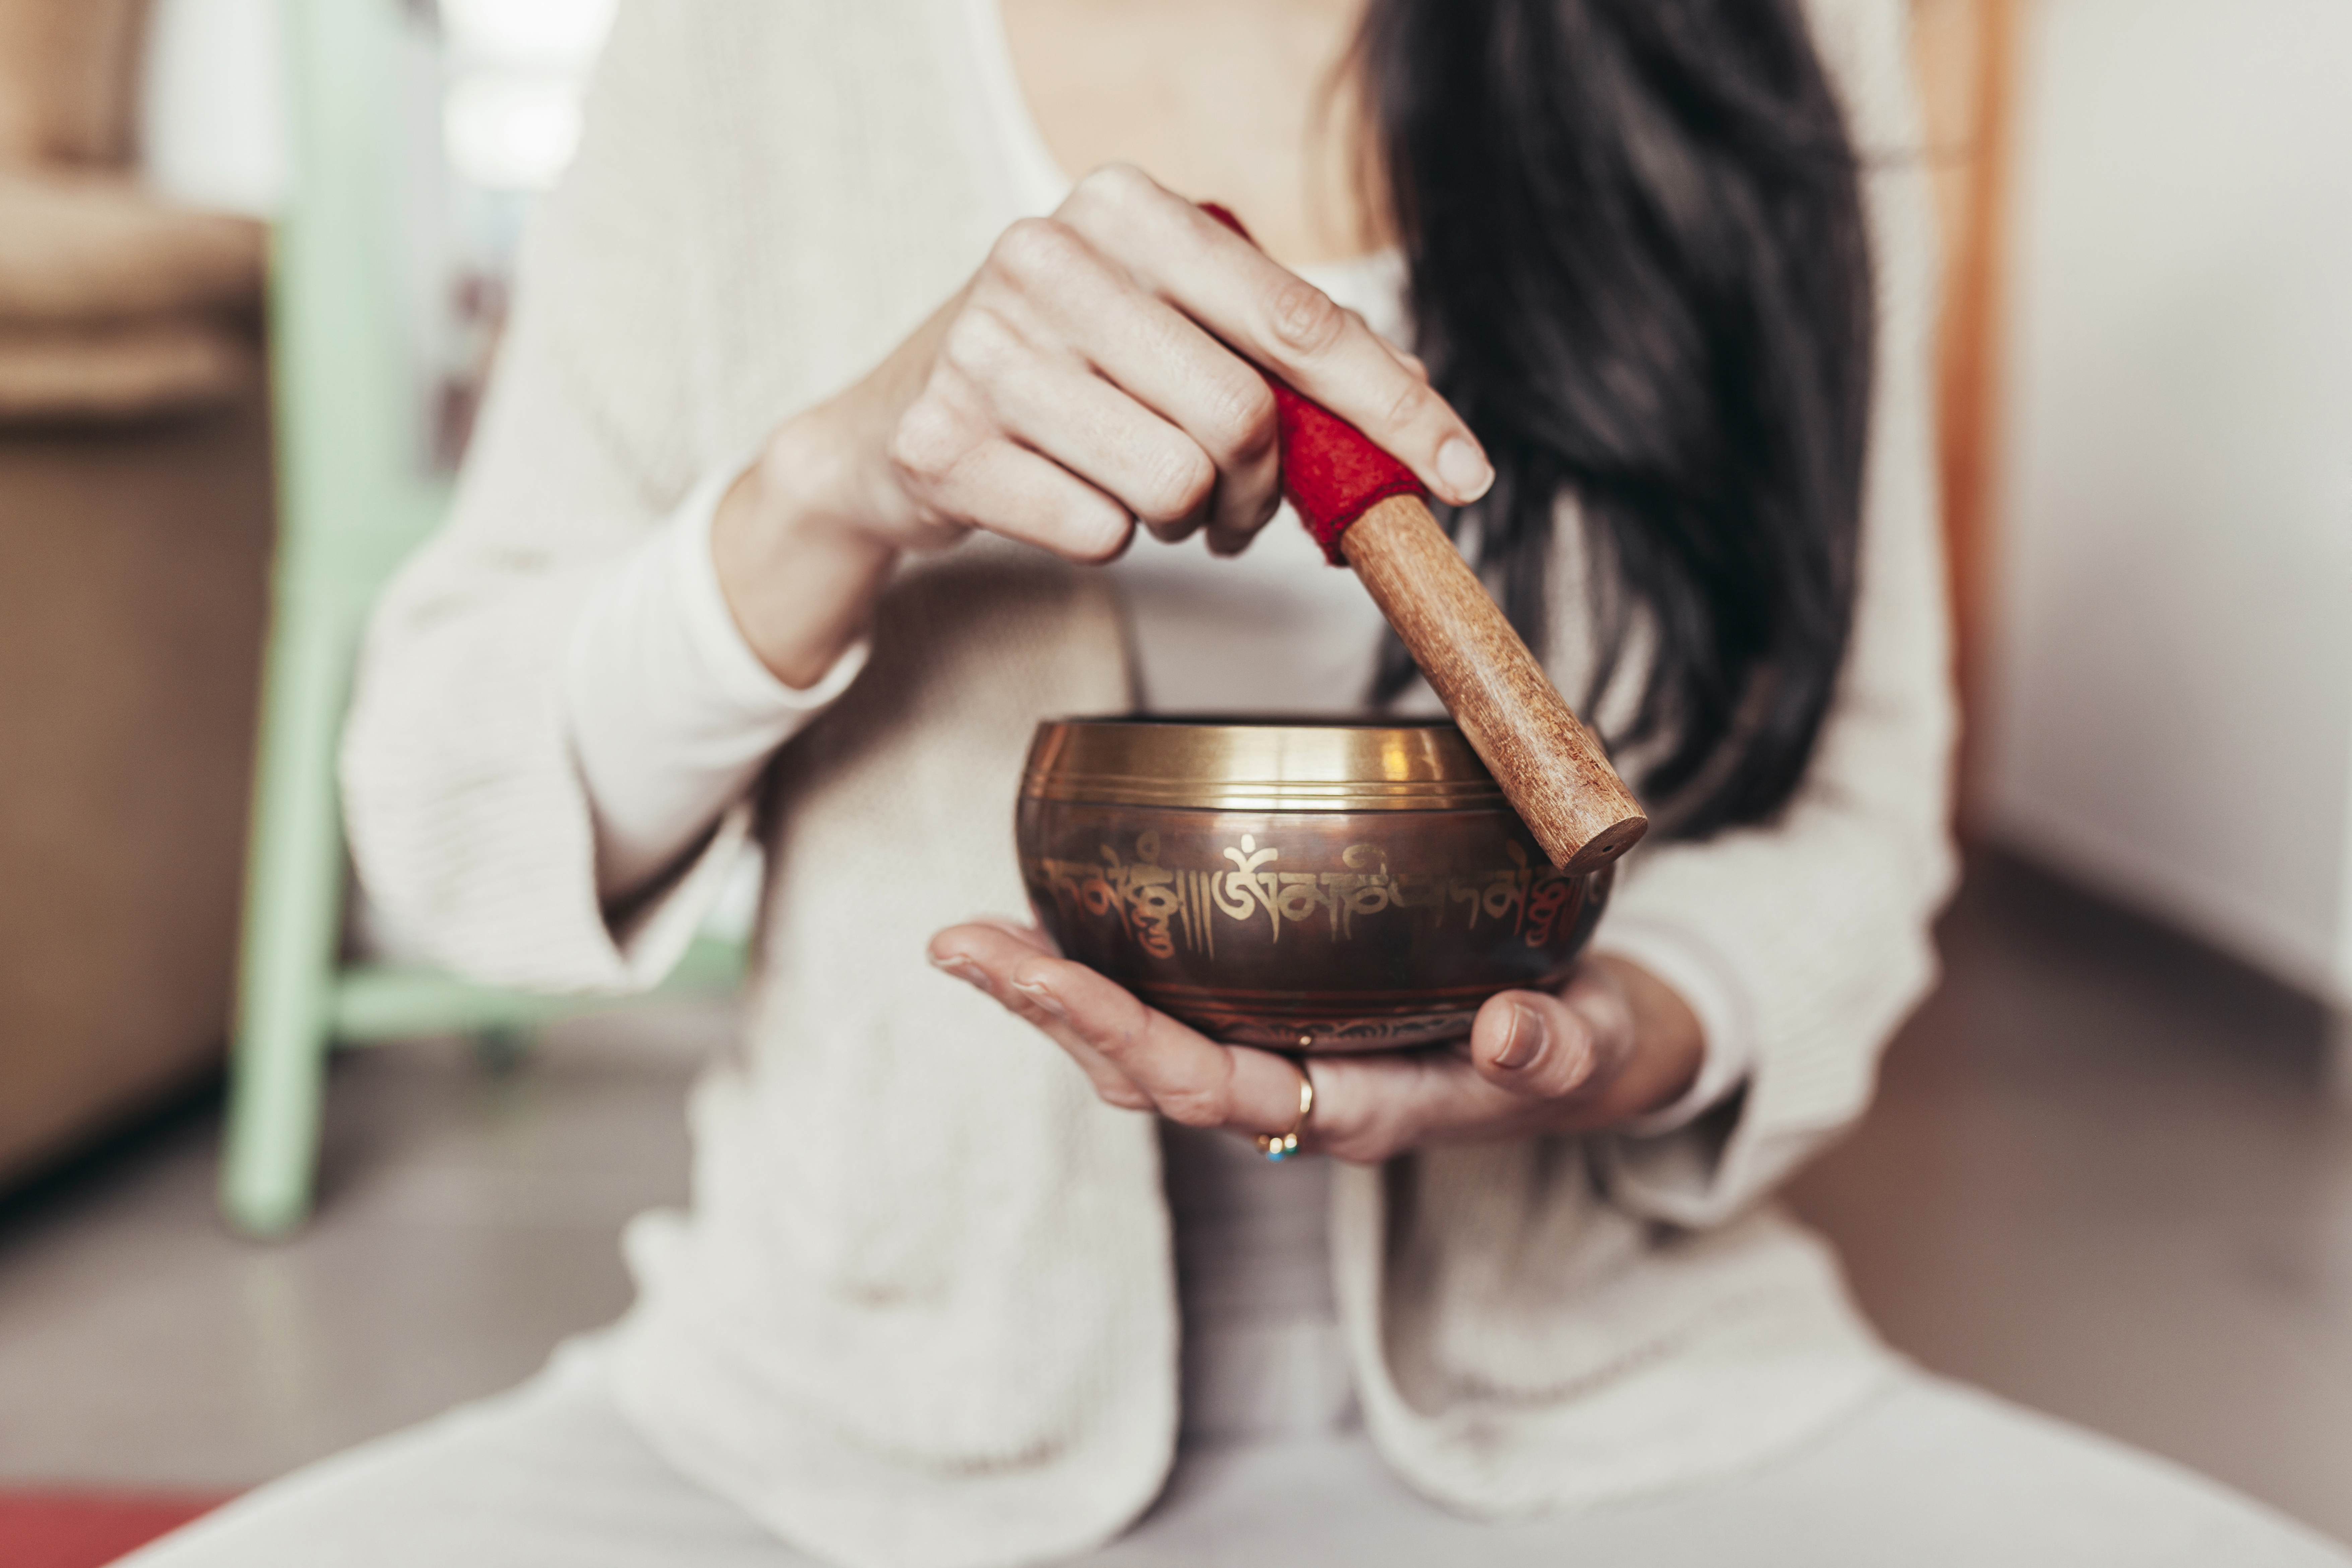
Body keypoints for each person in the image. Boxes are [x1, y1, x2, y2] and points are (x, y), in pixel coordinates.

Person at [135, 0, 2348, 1564]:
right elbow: (437, 829)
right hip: (840, 1415)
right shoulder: (755, 40)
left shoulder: (1773, 37)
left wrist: (1628, 1032)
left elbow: (1853, 811)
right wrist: (831, 489)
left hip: (1617, 1385)